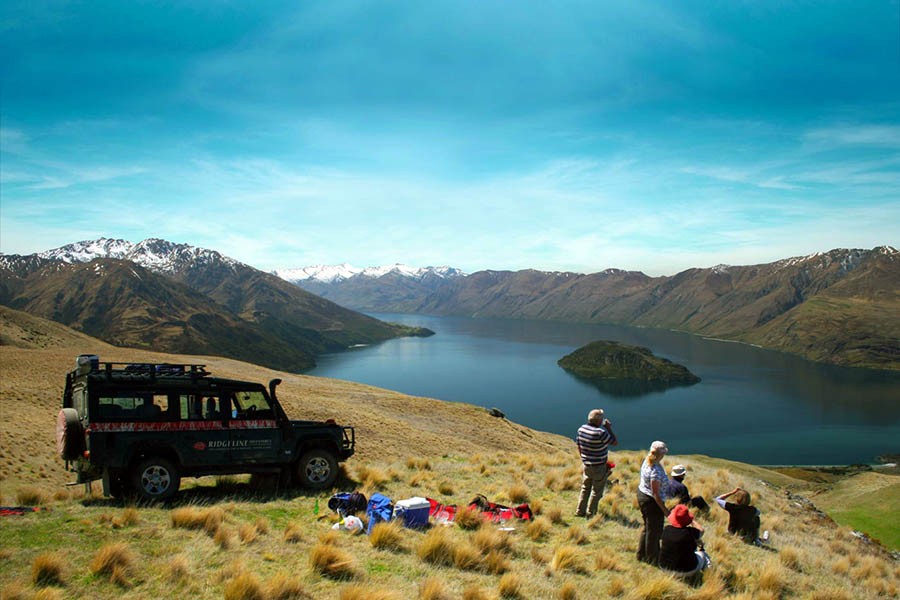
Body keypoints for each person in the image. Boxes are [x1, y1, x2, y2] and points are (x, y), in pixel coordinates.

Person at [574, 409, 617, 518]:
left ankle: (580, 511)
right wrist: (608, 428)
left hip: (587, 465)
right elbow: (614, 442)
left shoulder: (581, 429)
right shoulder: (600, 433)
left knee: (585, 488)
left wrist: (583, 459)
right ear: (598, 421)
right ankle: (591, 513)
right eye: (602, 419)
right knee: (596, 491)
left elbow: (578, 445)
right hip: (599, 466)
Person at [636, 440, 670, 565]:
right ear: (661, 455)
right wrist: (665, 510)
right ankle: (652, 558)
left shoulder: (647, 460)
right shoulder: (655, 470)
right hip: (651, 501)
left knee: (648, 528)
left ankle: (641, 554)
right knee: (654, 531)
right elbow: (655, 493)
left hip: (642, 494)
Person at [659, 504, 710, 578]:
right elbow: (701, 530)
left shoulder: (666, 529)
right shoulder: (691, 532)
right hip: (686, 571)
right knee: (704, 555)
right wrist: (692, 520)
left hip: (664, 567)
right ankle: (709, 576)